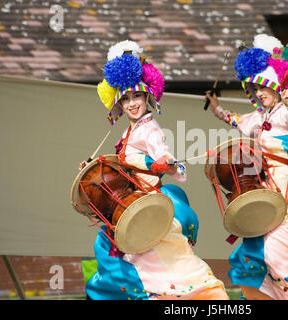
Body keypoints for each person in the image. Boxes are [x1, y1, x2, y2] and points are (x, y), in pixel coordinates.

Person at [80, 40, 228, 300]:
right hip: (133, 202)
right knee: (108, 244)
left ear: (148, 95)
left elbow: (162, 154)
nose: (132, 103)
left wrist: (166, 163)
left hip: (147, 202)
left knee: (162, 257)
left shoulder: (149, 129)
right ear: (118, 104)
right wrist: (93, 168)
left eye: (136, 95)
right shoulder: (129, 131)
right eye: (125, 99)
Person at [205, 34, 288, 300]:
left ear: (276, 85)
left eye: (263, 87)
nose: (259, 93)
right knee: (259, 249)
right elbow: (235, 120)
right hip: (265, 189)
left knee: (282, 245)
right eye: (254, 89)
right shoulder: (257, 118)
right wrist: (217, 108)